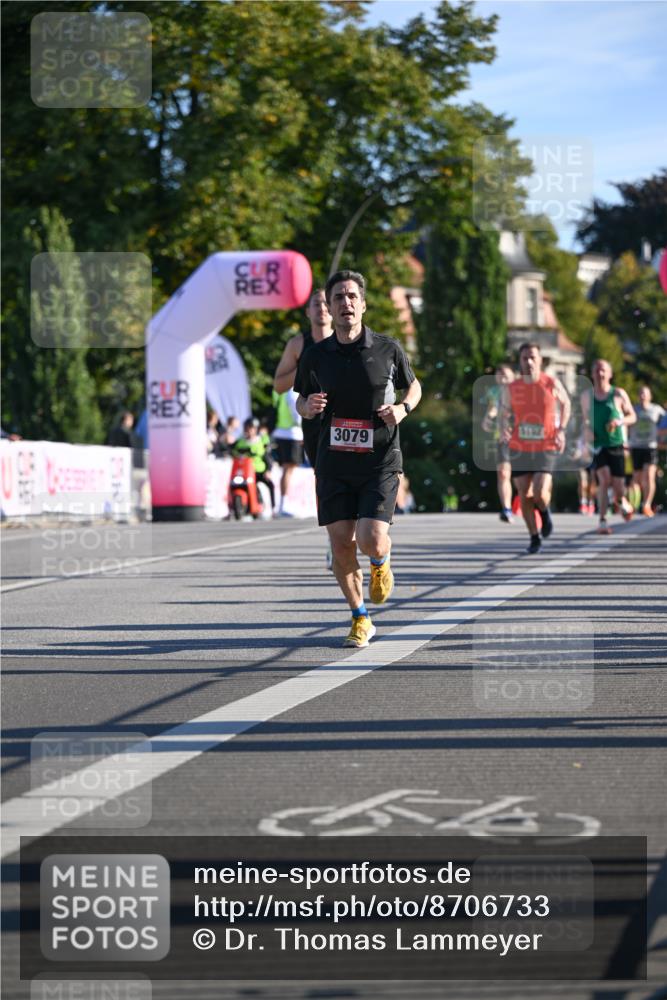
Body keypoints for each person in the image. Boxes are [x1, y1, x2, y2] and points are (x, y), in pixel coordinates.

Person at [294, 268, 422, 648]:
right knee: (340, 544)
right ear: (329, 308)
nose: (345, 303)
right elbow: (300, 397)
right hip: (333, 460)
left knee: (371, 538)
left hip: (379, 458)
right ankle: (360, 617)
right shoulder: (316, 355)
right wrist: (307, 406)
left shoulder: (387, 348)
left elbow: (413, 386)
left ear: (363, 305)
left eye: (352, 296)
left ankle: (381, 563)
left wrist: (403, 409)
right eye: (338, 298)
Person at [500, 343, 571, 554]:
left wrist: (561, 429)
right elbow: (504, 412)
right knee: (524, 491)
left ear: (540, 360)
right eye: (524, 358)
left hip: (546, 443)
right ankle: (534, 536)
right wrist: (504, 428)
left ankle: (545, 511)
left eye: (532, 357)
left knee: (539, 492)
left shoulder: (551, 383)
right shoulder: (512, 387)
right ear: (520, 361)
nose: (529, 361)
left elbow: (566, 404)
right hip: (520, 445)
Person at [581, 359, 636, 535]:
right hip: (598, 445)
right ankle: (603, 521)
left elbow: (632, 416)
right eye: (596, 370)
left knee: (619, 487)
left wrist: (619, 421)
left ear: (610, 374)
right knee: (604, 480)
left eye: (603, 370)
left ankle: (622, 501)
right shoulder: (586, 396)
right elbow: (584, 421)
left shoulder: (618, 394)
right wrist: (587, 431)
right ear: (592, 374)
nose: (600, 374)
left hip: (616, 444)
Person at [482, 363, 515, 522]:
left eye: (506, 375)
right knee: (503, 473)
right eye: (499, 375)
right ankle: (507, 509)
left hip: (523, 437)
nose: (502, 378)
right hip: (502, 437)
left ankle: (530, 505)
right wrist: (489, 417)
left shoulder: (521, 389)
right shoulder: (494, 392)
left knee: (524, 479)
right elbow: (493, 407)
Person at [629, 386, 665, 517]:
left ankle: (647, 504)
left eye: (645, 394)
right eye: (641, 394)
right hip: (636, 446)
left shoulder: (656, 410)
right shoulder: (634, 409)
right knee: (637, 479)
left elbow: (665, 423)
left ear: (650, 396)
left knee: (649, 476)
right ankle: (634, 504)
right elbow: (627, 424)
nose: (643, 396)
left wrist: (662, 437)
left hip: (651, 446)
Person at [271, 387, 304, 516]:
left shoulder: (280, 391)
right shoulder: (292, 391)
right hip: (292, 433)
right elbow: (296, 414)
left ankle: (283, 503)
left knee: (287, 470)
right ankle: (284, 504)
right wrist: (303, 429)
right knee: (288, 470)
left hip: (281, 432)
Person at [233, 417, 276, 514]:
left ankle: (273, 508)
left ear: (255, 429)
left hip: (258, 470)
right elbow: (233, 450)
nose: (248, 430)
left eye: (250, 428)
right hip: (244, 472)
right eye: (246, 428)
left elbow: (266, 457)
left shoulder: (260, 441)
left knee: (270, 485)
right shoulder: (240, 441)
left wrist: (268, 470)